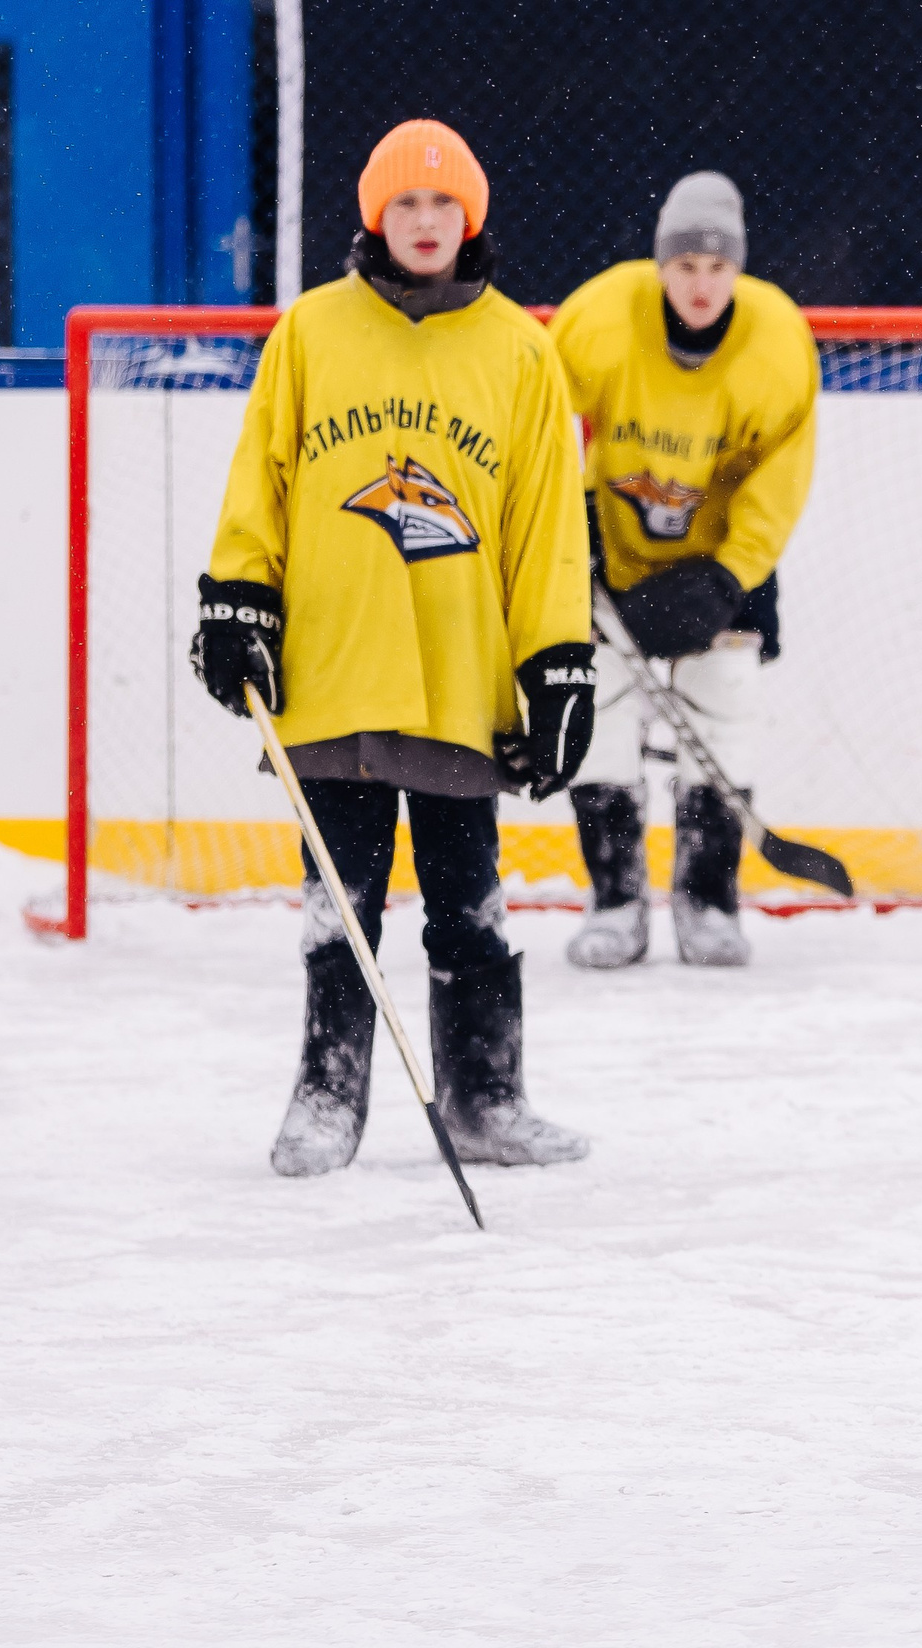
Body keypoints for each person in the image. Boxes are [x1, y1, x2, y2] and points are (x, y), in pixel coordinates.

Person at [189, 119, 596, 1176]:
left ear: (473, 216)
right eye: (405, 204)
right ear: (377, 216)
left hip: (459, 683)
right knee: (341, 906)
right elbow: (261, 482)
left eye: (444, 203)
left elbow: (547, 528)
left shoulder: (520, 350)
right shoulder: (311, 332)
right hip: (330, 676)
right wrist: (238, 597)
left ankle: (486, 1099)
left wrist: (558, 662)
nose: (426, 221)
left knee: (469, 906)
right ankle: (326, 1099)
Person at [550, 172, 820, 969]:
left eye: (716, 267)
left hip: (721, 564)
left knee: (724, 706)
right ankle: (617, 900)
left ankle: (707, 898)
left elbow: (782, 475)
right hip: (610, 559)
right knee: (593, 709)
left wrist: (728, 579)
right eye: (685, 266)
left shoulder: (776, 341)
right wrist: (567, 537)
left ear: (737, 267)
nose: (700, 284)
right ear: (661, 263)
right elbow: (538, 424)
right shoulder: (600, 316)